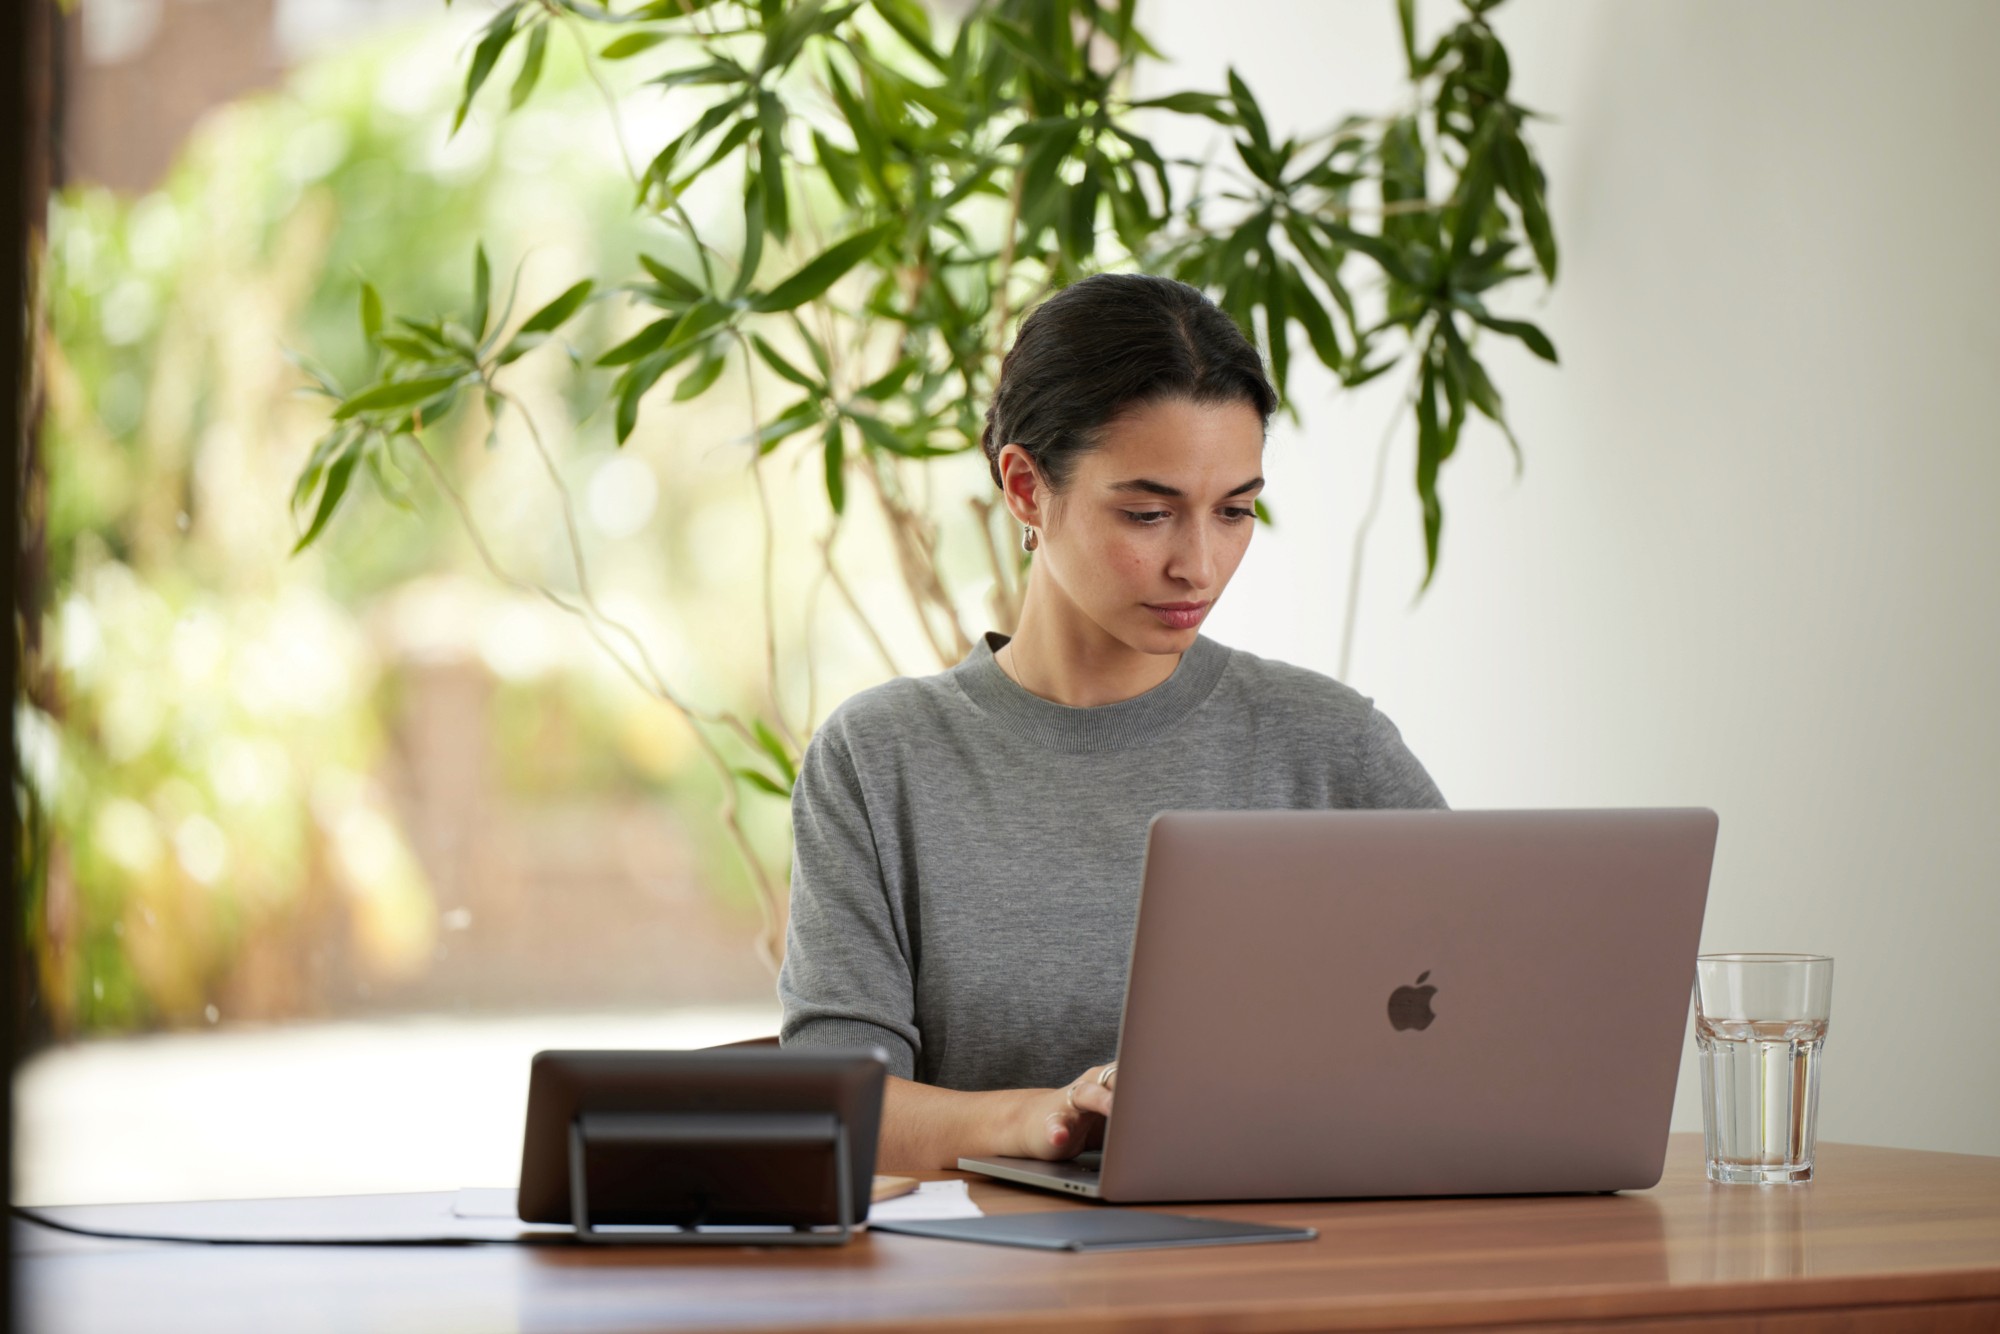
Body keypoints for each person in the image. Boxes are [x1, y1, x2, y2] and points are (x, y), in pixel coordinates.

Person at [777, 273, 1446, 1172]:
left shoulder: (1331, 746)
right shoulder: (880, 760)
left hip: (1297, 1264)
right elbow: (837, 1102)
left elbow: (1487, 1017)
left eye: (1236, 511)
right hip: (995, 1290)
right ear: (1024, 488)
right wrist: (1039, 1120)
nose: (1199, 565)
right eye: (1147, 513)